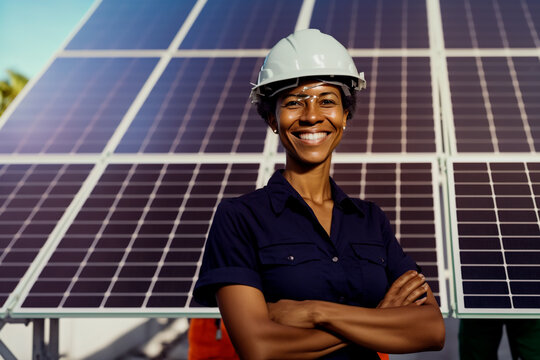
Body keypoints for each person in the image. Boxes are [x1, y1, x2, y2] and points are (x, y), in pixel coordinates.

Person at [193, 29, 445, 359]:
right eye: (294, 103)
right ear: (272, 118)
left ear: (345, 115)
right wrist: (379, 321)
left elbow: (431, 330)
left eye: (327, 101)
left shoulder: (370, 220)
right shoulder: (239, 218)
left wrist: (315, 312)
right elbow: (260, 348)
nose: (312, 116)